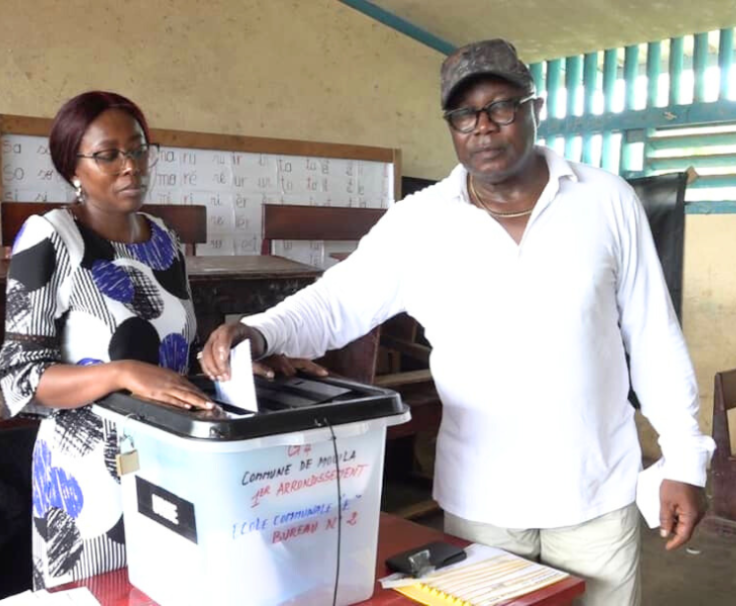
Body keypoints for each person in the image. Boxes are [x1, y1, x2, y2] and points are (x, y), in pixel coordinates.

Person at [200, 40, 715, 605]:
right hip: (482, 501)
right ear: (451, 125)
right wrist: (261, 329)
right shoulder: (420, 221)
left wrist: (685, 458)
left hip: (595, 492)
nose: (484, 127)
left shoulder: (606, 200)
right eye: (465, 114)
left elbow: (653, 337)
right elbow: (336, 302)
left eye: (501, 107)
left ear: (532, 107)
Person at [0, 91, 215, 589]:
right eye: (108, 155)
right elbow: (20, 377)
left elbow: (177, 354)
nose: (130, 167)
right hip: (89, 479)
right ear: (72, 167)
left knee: (170, 589)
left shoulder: (164, 239)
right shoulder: (51, 237)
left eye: (138, 150)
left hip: (168, 460)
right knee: (104, 594)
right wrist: (119, 373)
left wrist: (239, 356)